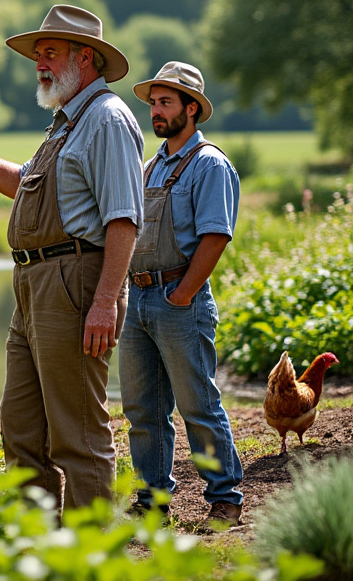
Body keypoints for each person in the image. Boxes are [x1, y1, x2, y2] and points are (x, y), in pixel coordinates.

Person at [0, 4, 143, 513]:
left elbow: (124, 219)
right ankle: (34, 549)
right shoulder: (65, 124)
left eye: (50, 52)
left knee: (78, 436)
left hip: (76, 283)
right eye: (37, 54)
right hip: (34, 286)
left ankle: (88, 555)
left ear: (86, 57)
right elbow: (24, 183)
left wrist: (105, 299)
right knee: (20, 430)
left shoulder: (107, 119)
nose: (39, 62)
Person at [121, 61, 243, 527]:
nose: (155, 111)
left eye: (165, 102)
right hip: (139, 300)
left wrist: (182, 294)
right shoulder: (150, 167)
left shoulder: (210, 164)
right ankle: (152, 502)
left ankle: (225, 498)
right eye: (153, 102)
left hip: (180, 301)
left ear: (191, 109)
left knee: (197, 405)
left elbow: (216, 236)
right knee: (142, 409)